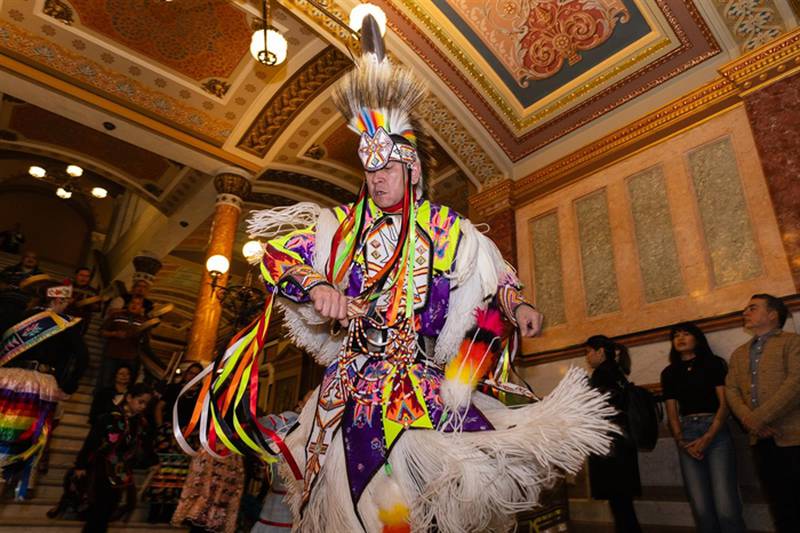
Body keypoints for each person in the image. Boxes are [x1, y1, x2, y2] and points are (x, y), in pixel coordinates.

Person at [175, 16, 616, 533]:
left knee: (431, 504)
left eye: (387, 170)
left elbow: (491, 270)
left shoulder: (443, 228)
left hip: (423, 386)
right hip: (351, 390)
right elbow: (276, 255)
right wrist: (317, 284)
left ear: (411, 169)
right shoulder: (339, 228)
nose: (377, 180)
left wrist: (517, 305)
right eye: (369, 171)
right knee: (367, 511)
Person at [0, 281, 88, 499]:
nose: (67, 307)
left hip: (5, 379)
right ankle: (17, 478)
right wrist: (68, 387)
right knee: (28, 437)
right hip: (38, 386)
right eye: (66, 302)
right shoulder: (64, 324)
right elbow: (83, 358)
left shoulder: (18, 317)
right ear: (58, 300)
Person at [661, 322, 745, 532]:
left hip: (715, 430)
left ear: (697, 338)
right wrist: (681, 440)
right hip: (687, 433)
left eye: (686, 334)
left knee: (725, 504)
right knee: (700, 507)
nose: (680, 338)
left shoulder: (714, 363)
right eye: (676, 335)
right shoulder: (669, 372)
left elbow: (724, 403)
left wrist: (709, 435)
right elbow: (672, 411)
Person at [725, 294, 800, 533]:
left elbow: (796, 383)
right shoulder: (738, 353)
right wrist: (749, 421)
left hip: (793, 437)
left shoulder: (793, 342)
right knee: (779, 505)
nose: (745, 312)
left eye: (752, 308)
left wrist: (758, 418)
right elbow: (731, 390)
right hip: (761, 440)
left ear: (772, 314)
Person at [74, 383, 154, 533]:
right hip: (101, 468)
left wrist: (153, 461)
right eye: (140, 401)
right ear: (129, 397)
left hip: (120, 471)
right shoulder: (110, 417)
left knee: (109, 509)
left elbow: (144, 445)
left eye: (146, 404)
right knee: (98, 511)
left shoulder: (140, 423)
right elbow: (91, 442)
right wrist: (80, 465)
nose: (143, 406)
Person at [585, 335, 642, 533]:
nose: (587, 357)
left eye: (588, 352)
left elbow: (599, 408)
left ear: (600, 351)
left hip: (610, 446)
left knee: (620, 506)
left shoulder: (602, 373)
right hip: (622, 445)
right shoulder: (617, 372)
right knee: (623, 505)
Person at [144, 362, 203, 523]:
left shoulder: (202, 395)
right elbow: (159, 407)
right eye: (191, 373)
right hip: (169, 434)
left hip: (188, 438)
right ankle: (154, 512)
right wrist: (161, 426)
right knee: (163, 472)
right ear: (186, 374)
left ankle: (169, 513)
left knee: (181, 475)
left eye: (197, 374)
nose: (193, 376)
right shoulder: (174, 389)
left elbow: (203, 418)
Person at [97, 296, 153, 387]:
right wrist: (114, 334)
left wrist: (144, 337)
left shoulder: (145, 322)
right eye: (133, 303)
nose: (134, 305)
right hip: (112, 355)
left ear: (142, 308)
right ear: (128, 304)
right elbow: (101, 332)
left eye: (138, 304)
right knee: (105, 383)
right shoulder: (116, 315)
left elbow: (146, 341)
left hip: (131, 358)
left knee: (126, 386)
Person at [68, 267, 101, 336]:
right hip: (63, 318)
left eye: (87, 276)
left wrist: (92, 304)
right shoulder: (66, 286)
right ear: (76, 275)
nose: (84, 278)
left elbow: (97, 308)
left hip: (81, 322)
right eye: (81, 275)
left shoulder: (94, 292)